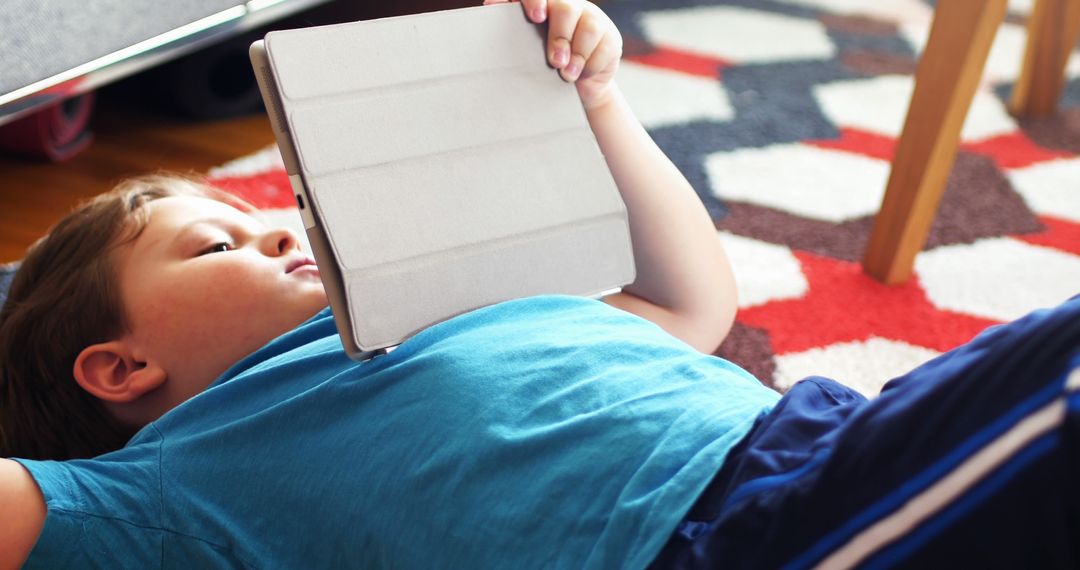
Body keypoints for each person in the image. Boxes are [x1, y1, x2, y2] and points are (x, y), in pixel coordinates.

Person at [0, 0, 1077, 568]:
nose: (276, 227)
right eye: (212, 245)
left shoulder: (449, 303)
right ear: (120, 366)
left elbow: (693, 301)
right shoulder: (167, 486)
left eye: (263, 216)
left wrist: (592, 101)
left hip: (831, 441)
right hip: (735, 536)